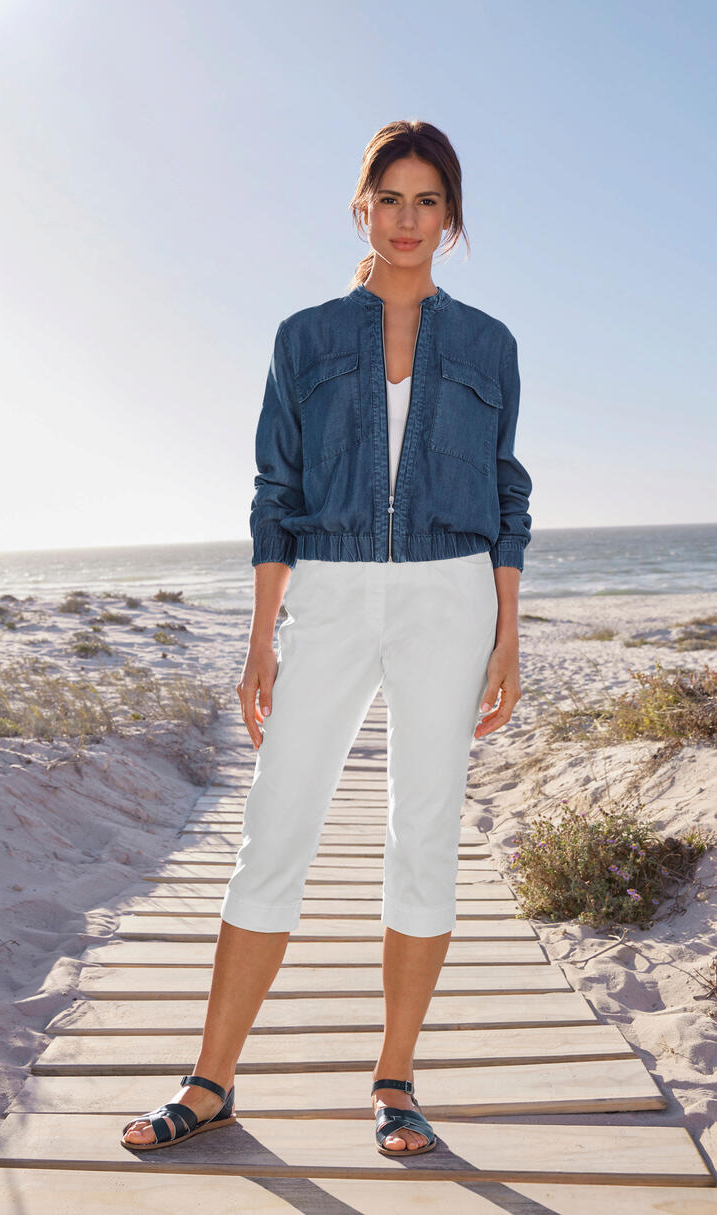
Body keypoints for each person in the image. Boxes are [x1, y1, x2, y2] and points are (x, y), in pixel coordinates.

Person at [121, 118, 533, 1157]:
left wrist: (507, 638)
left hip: (451, 593)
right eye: (388, 199)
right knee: (276, 826)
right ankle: (210, 1080)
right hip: (332, 589)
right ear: (361, 208)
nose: (406, 220)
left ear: (450, 217)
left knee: (422, 833)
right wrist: (262, 635)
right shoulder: (303, 337)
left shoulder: (488, 344)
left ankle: (395, 1081)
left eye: (426, 201)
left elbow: (504, 493)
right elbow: (275, 491)